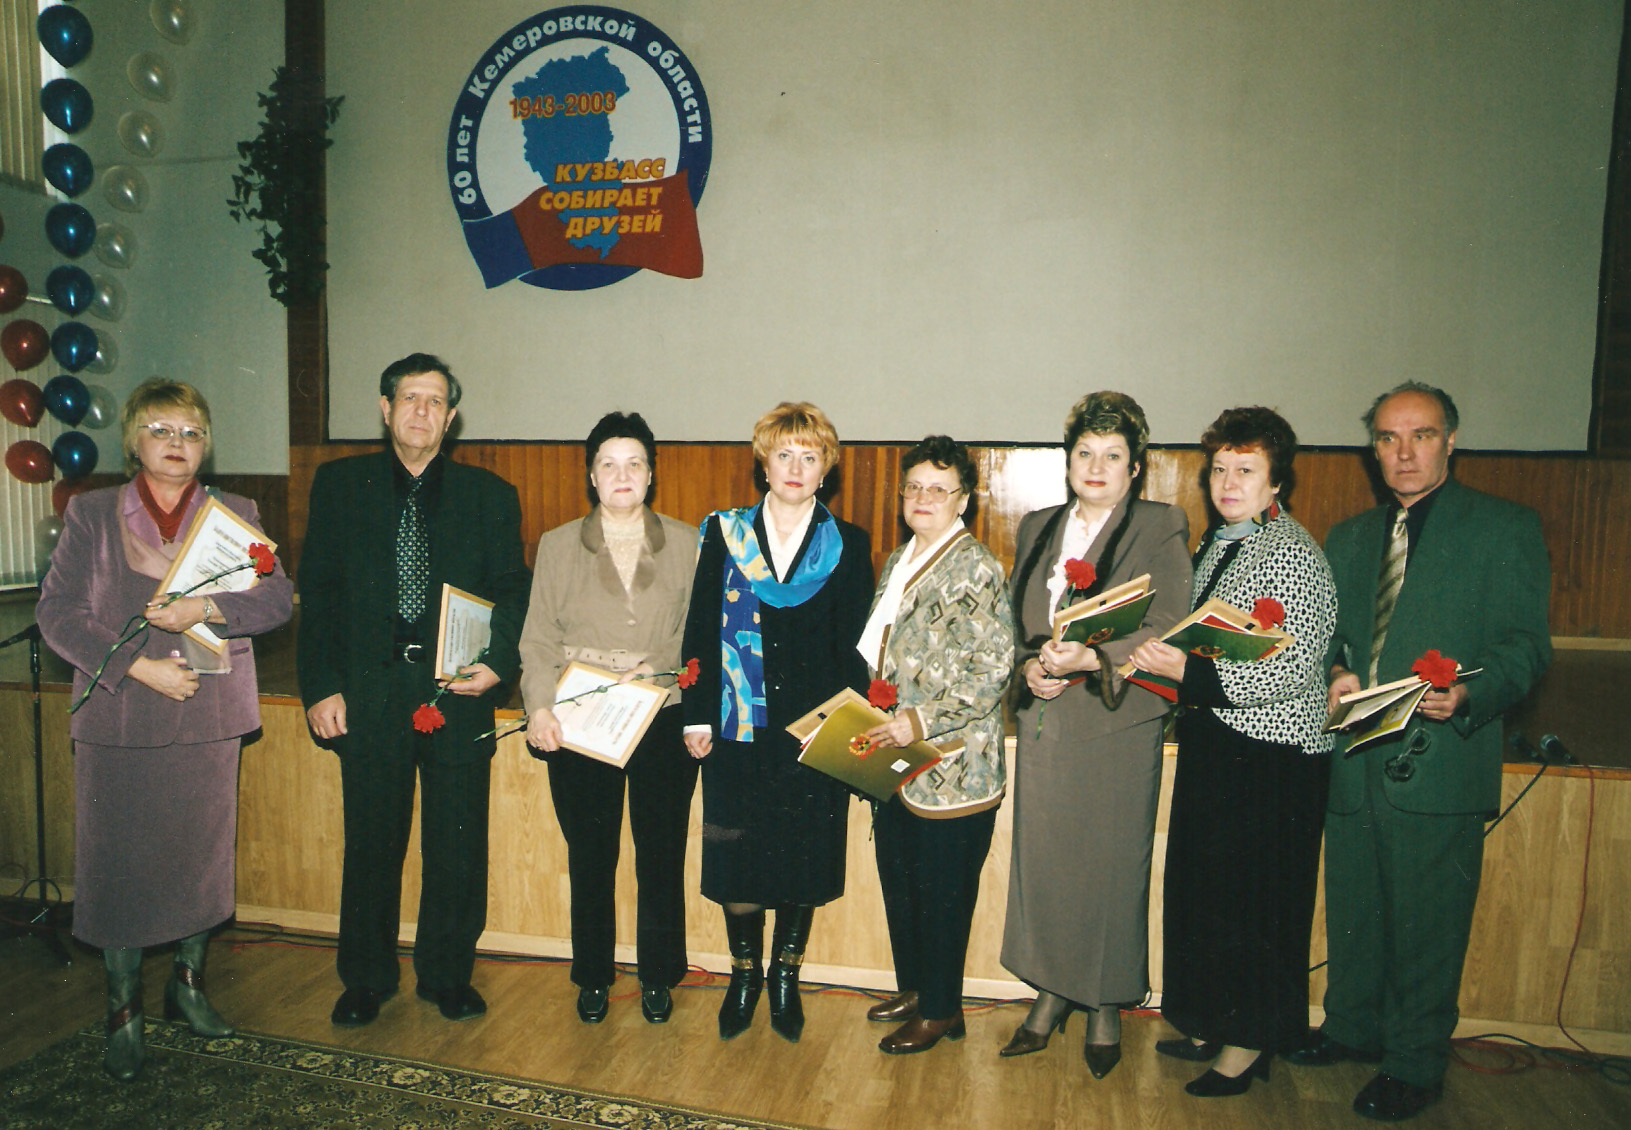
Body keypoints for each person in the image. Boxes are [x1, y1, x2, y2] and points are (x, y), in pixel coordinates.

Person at [1283, 382, 1551, 1121]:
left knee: (1428, 923)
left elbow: (1526, 647)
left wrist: (1468, 693)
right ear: (1373, 449)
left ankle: (1414, 1063)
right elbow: (1330, 638)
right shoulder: (1349, 537)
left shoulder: (1502, 527)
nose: (1403, 453)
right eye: (1388, 438)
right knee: (1355, 907)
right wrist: (1334, 671)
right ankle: (1351, 1027)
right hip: (1355, 756)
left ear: (1450, 441)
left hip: (1438, 759)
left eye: (1421, 435)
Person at [37, 378, 293, 1081]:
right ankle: (123, 1011)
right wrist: (138, 667)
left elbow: (276, 599)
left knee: (197, 862)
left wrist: (206, 609)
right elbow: (57, 613)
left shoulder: (235, 515)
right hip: (122, 713)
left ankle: (187, 989)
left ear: (206, 445)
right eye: (161, 430)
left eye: (191, 432)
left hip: (210, 718)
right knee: (119, 866)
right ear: (133, 441)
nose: (177, 443)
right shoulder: (92, 513)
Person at [298, 353, 529, 1028]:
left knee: (457, 843)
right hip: (368, 692)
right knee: (372, 842)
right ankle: (366, 978)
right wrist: (320, 686)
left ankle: (447, 975)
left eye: (435, 401)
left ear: (451, 418)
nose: (422, 411)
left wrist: (498, 662)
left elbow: (513, 590)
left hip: (457, 690)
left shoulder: (490, 495)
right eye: (409, 398)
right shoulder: (340, 485)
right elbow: (320, 591)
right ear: (385, 409)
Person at [1127, 407, 1336, 1097]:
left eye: (1245, 470)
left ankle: (1248, 1044)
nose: (1227, 482)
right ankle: (1212, 1021)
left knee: (1256, 907)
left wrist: (1188, 672)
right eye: (1219, 468)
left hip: (1274, 757)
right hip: (1221, 742)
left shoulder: (1293, 553)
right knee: (1208, 895)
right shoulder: (1222, 541)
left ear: (1276, 480)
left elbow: (1292, 666)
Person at [998, 390, 1192, 1079]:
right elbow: (1016, 622)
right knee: (1047, 863)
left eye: (1113, 455)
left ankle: (1105, 1003)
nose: (1097, 467)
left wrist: (1092, 658)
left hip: (1117, 719)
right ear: (1068, 460)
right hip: (1048, 718)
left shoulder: (1159, 525)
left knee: (1110, 868)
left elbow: (1168, 622)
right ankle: (1051, 994)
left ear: (1135, 467)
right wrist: (1030, 668)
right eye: (1085, 452)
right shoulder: (1037, 526)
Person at [680, 401, 873, 1043]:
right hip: (737, 727)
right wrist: (695, 716)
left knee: (800, 858)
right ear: (763, 463)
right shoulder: (724, 533)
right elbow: (699, 627)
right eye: (784, 454)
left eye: (809, 456)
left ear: (826, 469)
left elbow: (856, 649)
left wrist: (843, 724)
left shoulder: (849, 544)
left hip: (812, 732)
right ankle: (744, 976)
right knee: (738, 858)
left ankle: (785, 976)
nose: (795, 466)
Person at [517, 412, 699, 1025]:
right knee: (591, 854)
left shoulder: (688, 543)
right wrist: (540, 706)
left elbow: (700, 633)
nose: (623, 475)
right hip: (582, 716)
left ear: (651, 474)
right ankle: (593, 975)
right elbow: (538, 638)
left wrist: (665, 674)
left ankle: (659, 974)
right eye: (609, 464)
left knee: (660, 852)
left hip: (661, 712)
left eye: (635, 463)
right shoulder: (558, 544)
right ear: (592, 476)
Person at [855, 436, 1013, 1054]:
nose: (923, 498)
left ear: (963, 500)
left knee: (943, 893)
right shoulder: (899, 558)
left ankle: (943, 1010)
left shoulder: (976, 566)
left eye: (938, 489)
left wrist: (918, 722)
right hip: (898, 758)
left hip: (952, 765)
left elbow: (991, 672)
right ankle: (920, 990)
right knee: (903, 883)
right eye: (914, 487)